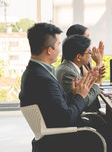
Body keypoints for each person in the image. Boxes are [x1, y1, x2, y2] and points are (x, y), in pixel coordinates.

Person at [19, 23, 104, 152]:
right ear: (49, 50)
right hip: (62, 139)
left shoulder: (34, 72)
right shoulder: (43, 79)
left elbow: (55, 106)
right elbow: (66, 118)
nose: (60, 50)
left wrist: (74, 93)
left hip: (54, 135)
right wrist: (80, 96)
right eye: (58, 45)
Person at [56, 35, 104, 113]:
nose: (91, 55)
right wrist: (97, 83)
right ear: (78, 57)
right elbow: (84, 101)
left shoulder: (71, 67)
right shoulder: (68, 72)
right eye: (89, 52)